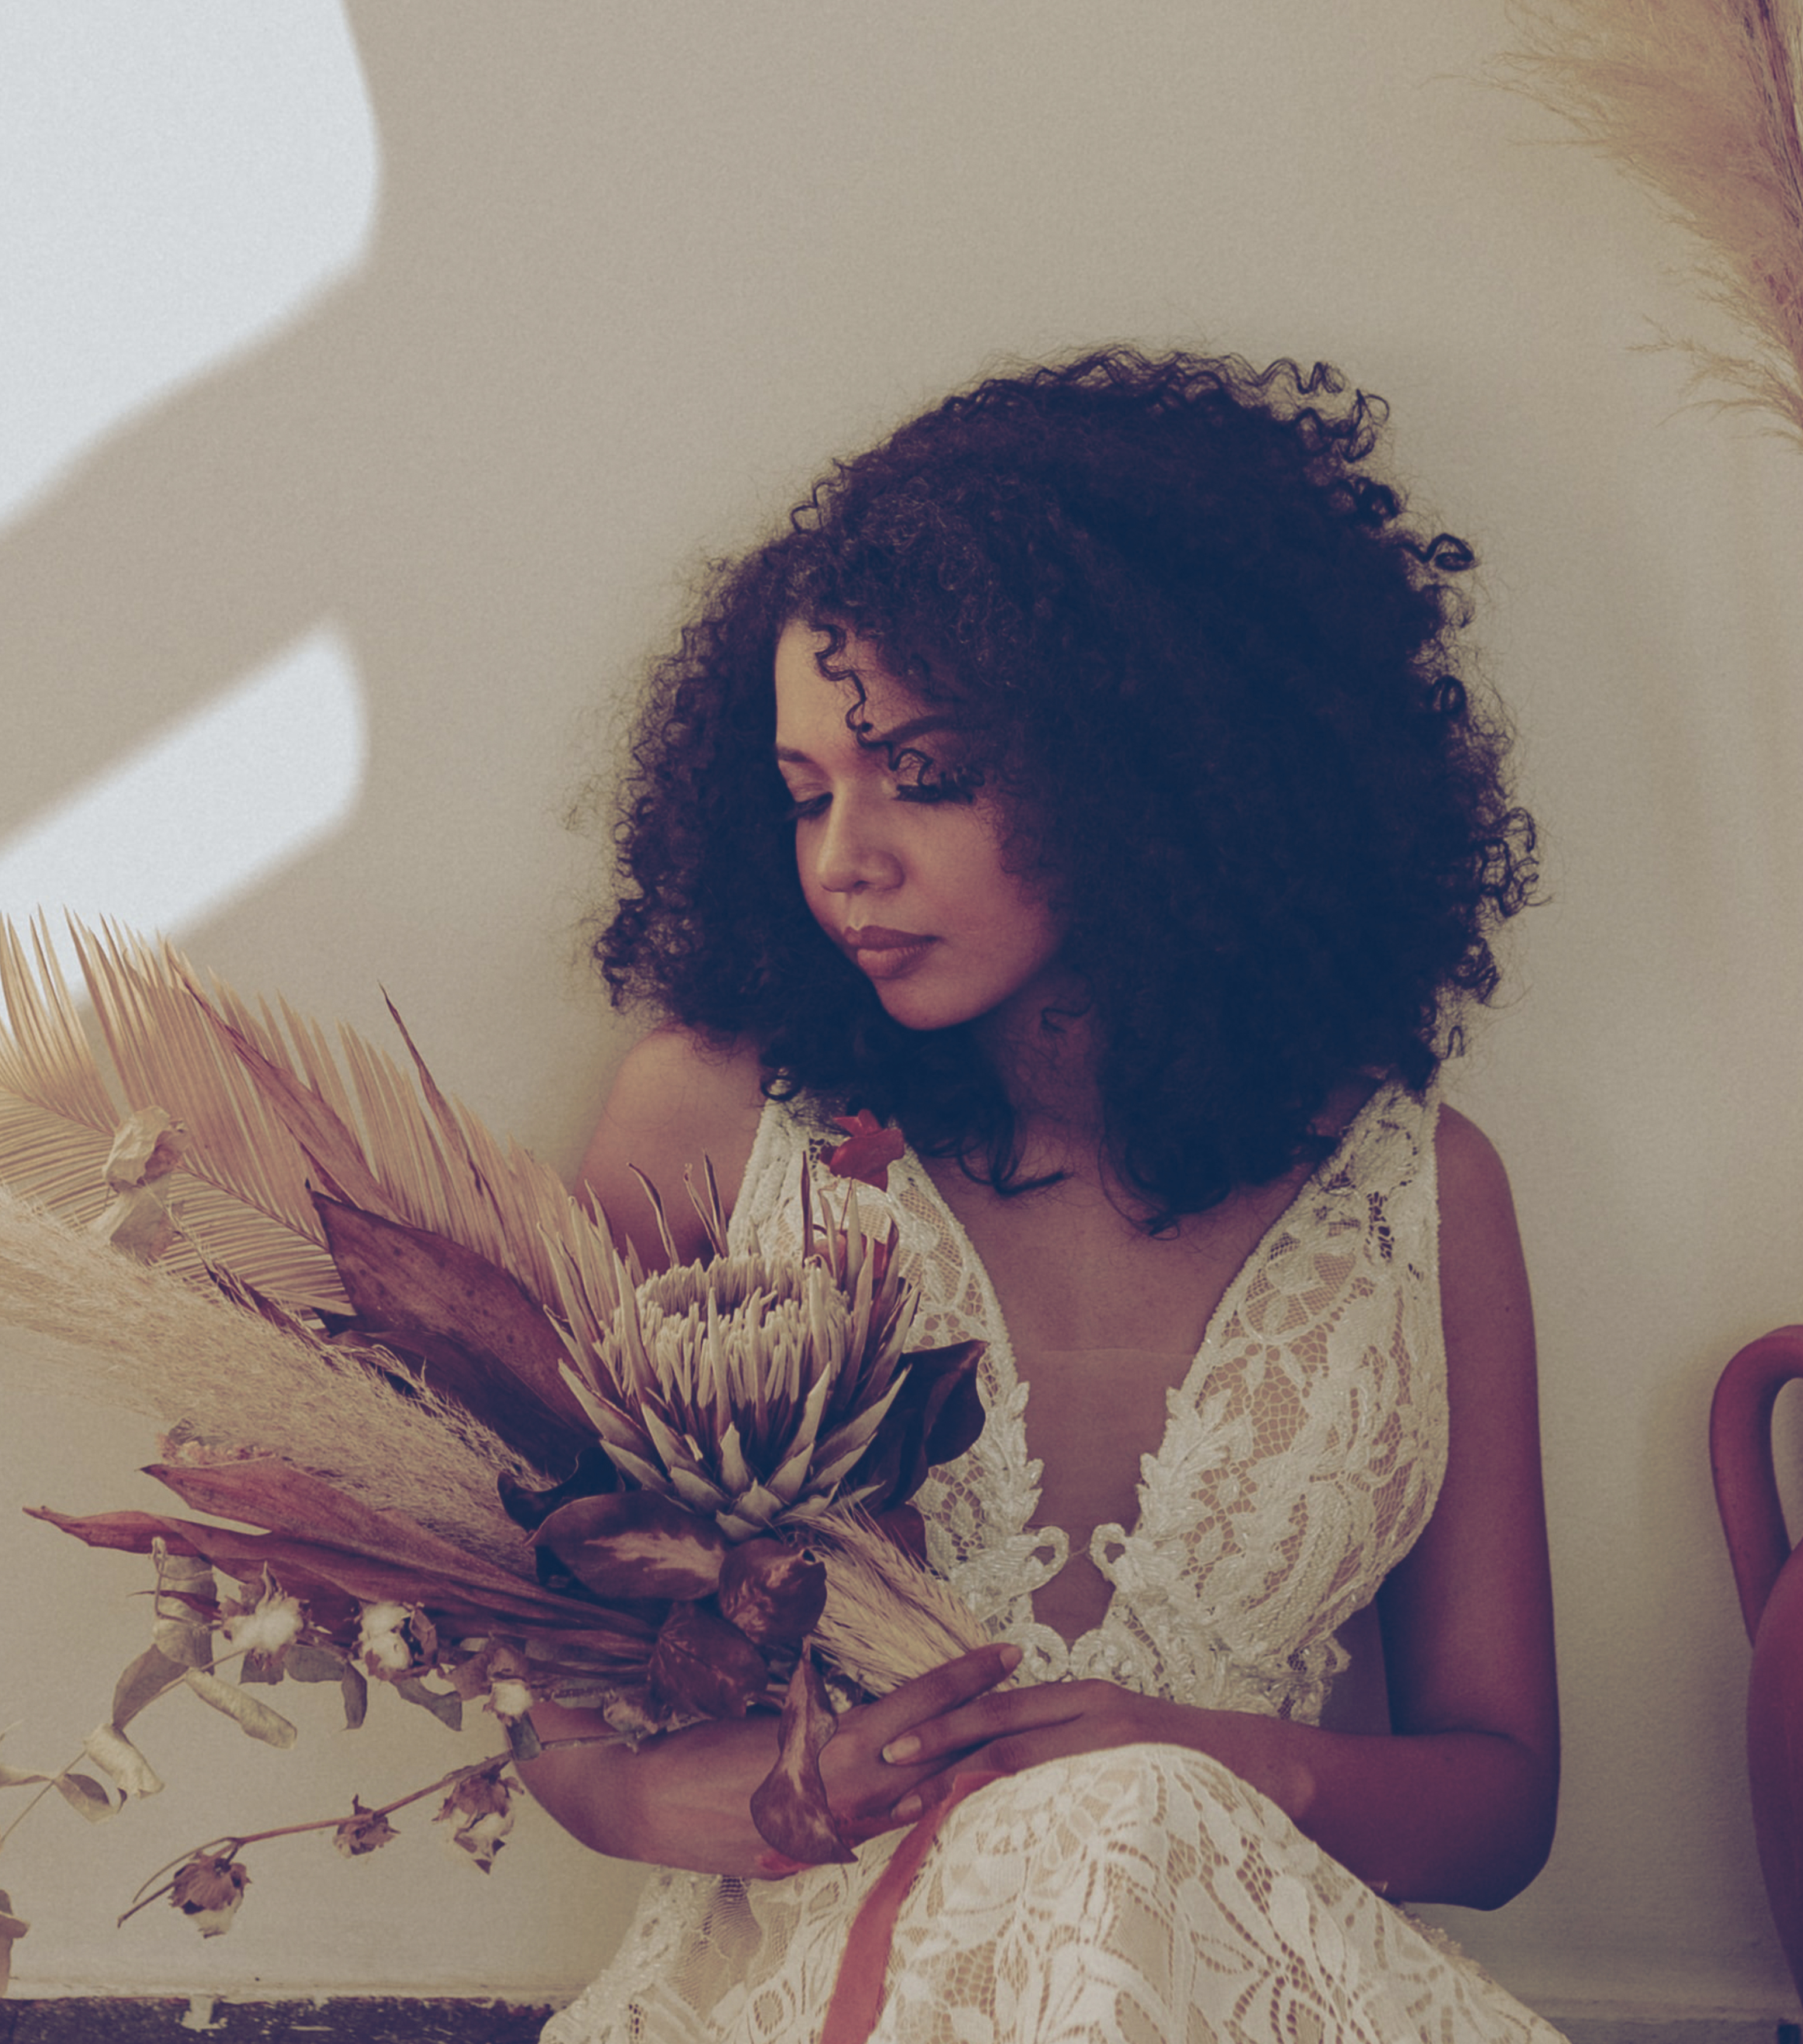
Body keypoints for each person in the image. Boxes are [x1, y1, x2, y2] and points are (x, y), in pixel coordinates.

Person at [521, 348, 1561, 2042]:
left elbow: (1505, 1806)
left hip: (1236, 1971)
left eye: (924, 775)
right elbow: (545, 1669)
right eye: (804, 795)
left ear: (1150, 775)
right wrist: (698, 1803)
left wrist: (1215, 1762)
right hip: (812, 1981)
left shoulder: (1417, 1193)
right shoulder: (708, 1128)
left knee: (1127, 1822)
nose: (845, 855)